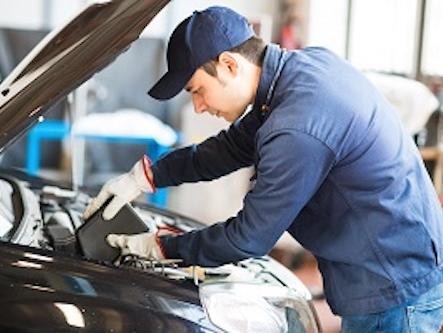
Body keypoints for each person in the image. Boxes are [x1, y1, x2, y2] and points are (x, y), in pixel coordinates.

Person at [83, 6, 443, 332]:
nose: (198, 107)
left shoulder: (297, 123)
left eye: (198, 90)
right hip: (389, 264)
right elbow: (226, 150)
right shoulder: (295, 77)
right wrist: (142, 178)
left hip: (395, 283)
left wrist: (161, 248)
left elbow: (249, 237)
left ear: (229, 64)